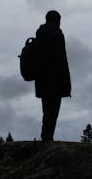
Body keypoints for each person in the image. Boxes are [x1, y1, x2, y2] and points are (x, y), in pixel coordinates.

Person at [35, 10, 71, 141]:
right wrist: (65, 83)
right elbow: (61, 60)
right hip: (55, 80)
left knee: (47, 110)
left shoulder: (40, 34)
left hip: (41, 80)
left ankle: (46, 136)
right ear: (57, 20)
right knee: (53, 110)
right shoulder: (57, 34)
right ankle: (47, 138)